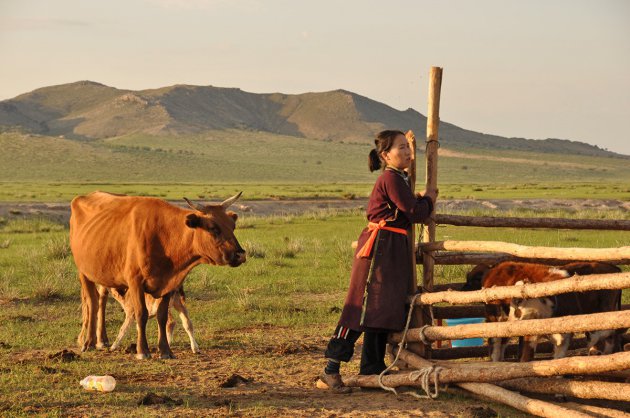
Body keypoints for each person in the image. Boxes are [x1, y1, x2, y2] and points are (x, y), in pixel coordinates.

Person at [318, 130, 437, 394]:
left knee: (380, 311)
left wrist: (419, 195)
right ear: (385, 155)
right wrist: (429, 197)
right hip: (380, 248)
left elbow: (406, 209)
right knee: (361, 309)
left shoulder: (398, 178)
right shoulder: (390, 178)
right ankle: (331, 369)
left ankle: (371, 370)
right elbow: (416, 214)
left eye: (408, 148)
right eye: (401, 148)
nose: (407, 152)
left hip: (391, 247)